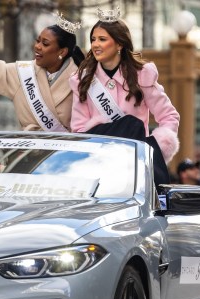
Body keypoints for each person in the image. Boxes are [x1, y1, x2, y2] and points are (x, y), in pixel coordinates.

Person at [69, 6, 179, 185]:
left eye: (102, 39)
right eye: (93, 39)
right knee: (130, 124)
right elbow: (79, 129)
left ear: (119, 44)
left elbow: (169, 116)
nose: (95, 44)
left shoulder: (142, 74)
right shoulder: (83, 80)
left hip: (132, 164)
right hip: (97, 161)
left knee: (132, 126)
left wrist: (155, 148)